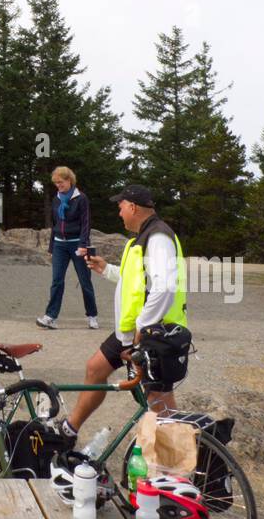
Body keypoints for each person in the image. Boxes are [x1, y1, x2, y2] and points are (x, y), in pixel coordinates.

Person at [56, 183, 187, 444]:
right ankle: (69, 430)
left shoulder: (158, 238)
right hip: (132, 331)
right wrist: (106, 269)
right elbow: (134, 281)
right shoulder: (139, 239)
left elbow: (164, 287)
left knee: (158, 400)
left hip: (155, 333)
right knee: (95, 368)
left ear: (133, 207)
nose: (119, 213)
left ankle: (182, 460)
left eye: (121, 207)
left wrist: (143, 326)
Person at [36, 166, 99, 330]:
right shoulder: (56, 199)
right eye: (56, 183)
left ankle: (92, 316)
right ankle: (50, 317)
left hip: (78, 244)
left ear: (69, 180)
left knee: (85, 281)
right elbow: (55, 224)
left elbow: (86, 223)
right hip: (59, 245)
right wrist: (51, 247)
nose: (58, 186)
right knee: (57, 281)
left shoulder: (81, 198)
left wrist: (83, 245)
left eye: (61, 182)